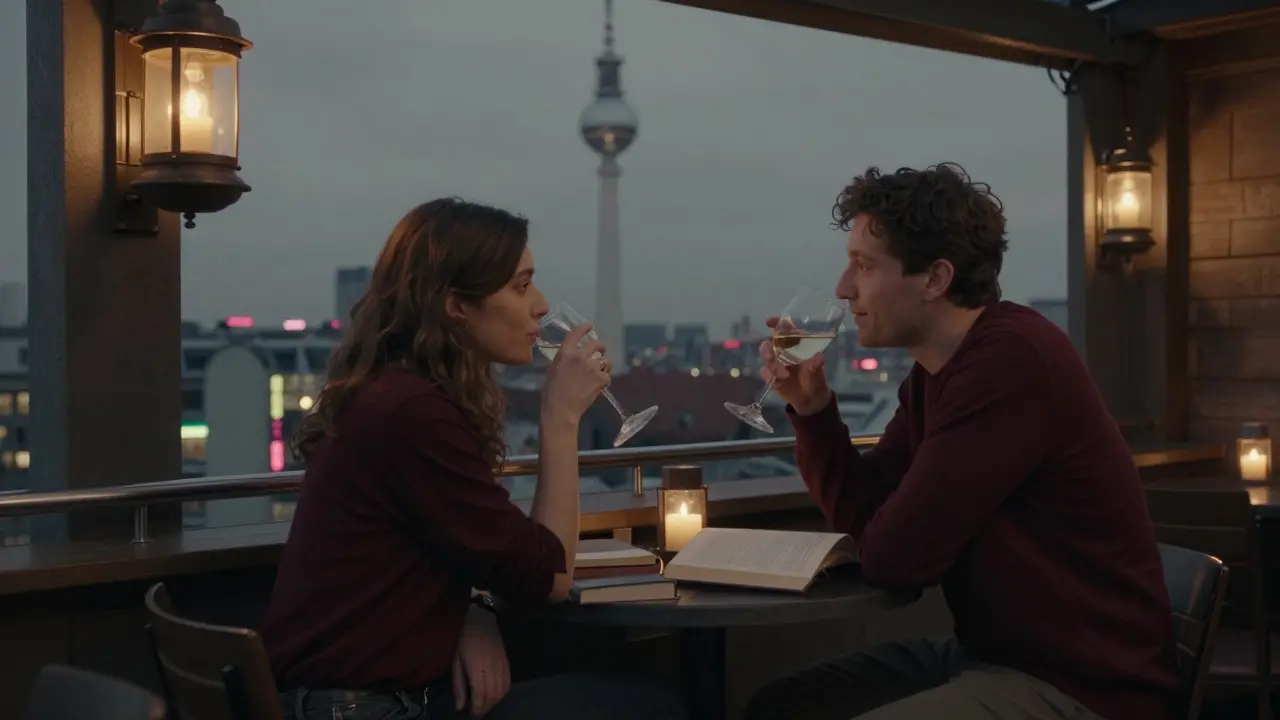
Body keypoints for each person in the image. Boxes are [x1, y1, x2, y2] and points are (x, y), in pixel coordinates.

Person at [744, 164, 1178, 720]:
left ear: (935, 278)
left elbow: (897, 560)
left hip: (1087, 686)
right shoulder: (935, 375)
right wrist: (813, 411)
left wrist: (882, 531)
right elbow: (866, 513)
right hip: (991, 659)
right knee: (781, 706)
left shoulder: (1010, 362)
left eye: (864, 265)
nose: (843, 288)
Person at [261, 198, 686, 720]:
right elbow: (550, 577)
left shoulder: (391, 396)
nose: (541, 305)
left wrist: (473, 610)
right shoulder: (413, 414)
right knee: (653, 706)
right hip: (365, 708)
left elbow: (464, 547)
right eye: (521, 286)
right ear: (456, 305)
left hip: (349, 698)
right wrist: (560, 417)